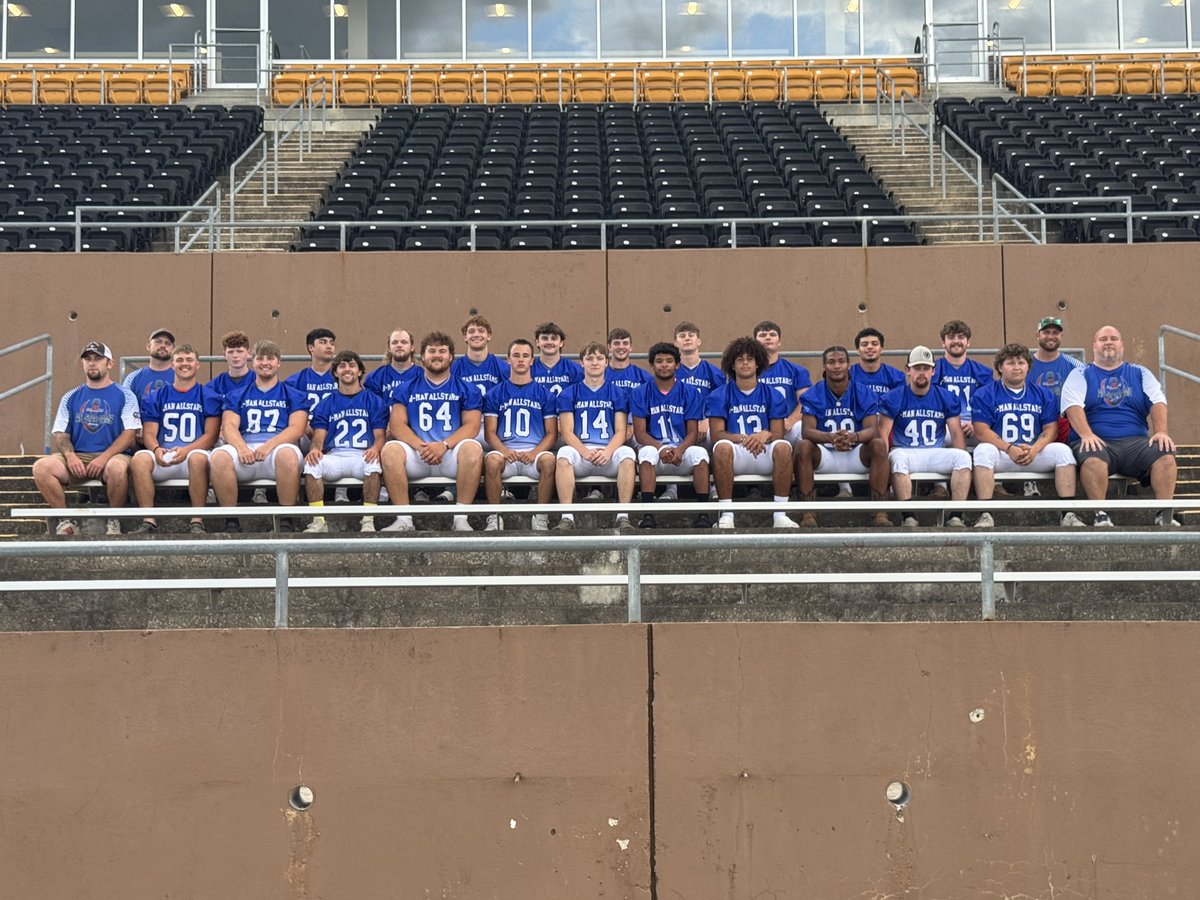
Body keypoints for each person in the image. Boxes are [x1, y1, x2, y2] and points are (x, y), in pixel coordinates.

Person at [1062, 325, 1179, 527]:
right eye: (1103, 339)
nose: (1108, 342)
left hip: (1136, 443)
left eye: (1113, 338)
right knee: (1093, 459)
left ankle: (1164, 515)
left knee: (1165, 455)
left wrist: (1161, 432)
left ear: (1122, 345)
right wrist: (1086, 434)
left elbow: (1158, 401)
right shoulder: (1080, 373)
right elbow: (1073, 406)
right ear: (1094, 346)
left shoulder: (1140, 373)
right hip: (1098, 442)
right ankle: (1100, 514)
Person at [969, 343, 1082, 528]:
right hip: (1002, 453)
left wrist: (1035, 449)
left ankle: (1068, 513)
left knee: (1063, 451)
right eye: (1010, 363)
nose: (1016, 367)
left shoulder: (1043, 394)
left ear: (1028, 367)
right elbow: (981, 430)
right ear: (1000, 367)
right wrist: (1009, 448)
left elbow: (1051, 429)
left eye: (1021, 362)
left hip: (1033, 452)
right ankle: (985, 514)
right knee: (983, 451)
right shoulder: (985, 393)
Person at [381, 331, 484, 533]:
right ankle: (404, 519)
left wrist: (444, 445)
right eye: (432, 351)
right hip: (419, 454)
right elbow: (397, 425)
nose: (437, 355)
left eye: (442, 351)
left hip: (450, 454)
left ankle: (461, 518)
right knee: (390, 450)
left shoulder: (466, 388)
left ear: (451, 356)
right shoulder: (405, 388)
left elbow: (472, 426)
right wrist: (422, 447)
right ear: (422, 356)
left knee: (473, 448)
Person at [33, 341, 140, 537]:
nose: (92, 363)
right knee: (41, 467)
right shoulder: (71, 396)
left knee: (117, 468)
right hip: (79, 457)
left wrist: (103, 458)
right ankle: (65, 521)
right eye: (88, 359)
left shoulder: (126, 395)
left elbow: (129, 434)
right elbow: (61, 433)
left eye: (98, 358)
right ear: (83, 364)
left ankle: (114, 521)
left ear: (110, 363)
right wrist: (71, 456)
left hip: (113, 456)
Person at [210, 340, 308, 533]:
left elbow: (297, 428)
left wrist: (268, 446)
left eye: (270, 358)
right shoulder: (237, 394)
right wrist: (241, 448)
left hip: (276, 450)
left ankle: (286, 521)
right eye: (260, 358)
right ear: (252, 362)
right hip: (246, 449)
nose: (265, 363)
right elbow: (229, 426)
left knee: (288, 454)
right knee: (219, 456)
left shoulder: (293, 394)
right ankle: (231, 522)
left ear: (278, 362)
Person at [707, 336, 798, 530]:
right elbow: (716, 435)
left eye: (750, 359)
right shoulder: (719, 394)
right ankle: (727, 514)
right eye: (740, 359)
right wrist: (744, 438)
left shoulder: (773, 394)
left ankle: (780, 514)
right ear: (732, 365)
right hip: (736, 453)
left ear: (758, 363)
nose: (745, 363)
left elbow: (778, 433)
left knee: (783, 447)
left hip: (763, 452)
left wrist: (765, 435)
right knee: (721, 447)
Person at [130, 344, 222, 535]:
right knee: (140, 459)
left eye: (189, 360)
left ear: (197, 364)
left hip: (193, 455)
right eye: (179, 360)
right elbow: (149, 433)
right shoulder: (157, 396)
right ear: (172, 364)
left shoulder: (208, 395)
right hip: (165, 455)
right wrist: (157, 450)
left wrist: (186, 450)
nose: (184, 364)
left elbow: (211, 435)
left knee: (198, 458)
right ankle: (149, 520)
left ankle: (197, 520)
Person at [795, 346, 891, 528]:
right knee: (803, 446)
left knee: (878, 444)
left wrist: (853, 437)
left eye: (841, 361)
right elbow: (807, 431)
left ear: (848, 365)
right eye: (831, 362)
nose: (837, 366)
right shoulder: (813, 394)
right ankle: (808, 513)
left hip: (854, 453)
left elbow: (872, 429)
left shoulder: (864, 392)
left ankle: (880, 512)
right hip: (826, 455)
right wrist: (831, 437)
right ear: (824, 366)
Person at [878, 346, 972, 527]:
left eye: (926, 368)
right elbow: (883, 434)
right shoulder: (894, 397)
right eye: (917, 368)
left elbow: (956, 432)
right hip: (905, 450)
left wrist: (962, 456)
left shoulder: (946, 396)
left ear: (933, 371)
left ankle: (956, 515)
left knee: (963, 457)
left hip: (936, 451)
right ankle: (908, 516)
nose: (922, 373)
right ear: (908, 370)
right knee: (897, 458)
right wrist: (883, 464)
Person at [553, 341, 637, 532]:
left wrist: (607, 452)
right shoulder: (569, 393)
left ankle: (623, 516)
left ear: (606, 362)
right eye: (589, 358)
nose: (595, 362)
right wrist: (585, 452)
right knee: (564, 454)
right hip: (581, 453)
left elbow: (621, 431)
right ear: (581, 363)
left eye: (599, 358)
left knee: (627, 454)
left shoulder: (617, 393)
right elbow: (566, 432)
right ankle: (566, 517)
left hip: (608, 453)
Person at [303, 351, 389, 534]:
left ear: (360, 371)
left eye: (352, 365)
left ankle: (368, 520)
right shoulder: (326, 403)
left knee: (373, 464)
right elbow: (318, 436)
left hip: (362, 454)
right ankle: (319, 521)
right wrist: (315, 449)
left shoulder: (374, 401)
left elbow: (380, 435)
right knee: (312, 464)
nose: (347, 369)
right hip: (335, 455)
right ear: (335, 372)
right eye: (342, 366)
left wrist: (375, 448)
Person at [630, 342, 711, 529]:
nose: (664, 365)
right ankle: (648, 514)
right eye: (659, 361)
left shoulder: (690, 392)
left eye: (669, 361)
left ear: (677, 365)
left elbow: (693, 432)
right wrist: (661, 449)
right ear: (652, 365)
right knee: (646, 452)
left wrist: (680, 450)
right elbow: (640, 433)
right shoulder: (640, 392)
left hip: (681, 451)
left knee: (700, 454)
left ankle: (703, 514)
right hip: (657, 450)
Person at [482, 338, 558, 532]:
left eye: (525, 356)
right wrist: (505, 451)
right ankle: (494, 517)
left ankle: (541, 517)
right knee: (491, 460)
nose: (521, 360)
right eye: (516, 355)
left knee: (549, 460)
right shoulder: (494, 393)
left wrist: (534, 453)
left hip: (533, 454)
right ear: (508, 360)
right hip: (506, 453)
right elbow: (490, 433)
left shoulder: (545, 394)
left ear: (532, 360)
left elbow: (552, 433)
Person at [284, 327, 347, 503]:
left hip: (335, 430)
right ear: (310, 348)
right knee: (289, 441)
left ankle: (341, 491)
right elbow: (287, 411)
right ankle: (292, 495)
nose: (329, 346)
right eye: (323, 342)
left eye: (332, 343)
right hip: (306, 431)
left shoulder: (344, 377)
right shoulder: (295, 381)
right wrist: (304, 426)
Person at [930, 319, 993, 439]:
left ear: (968, 342)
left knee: (991, 442)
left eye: (961, 337)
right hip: (944, 426)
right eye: (951, 337)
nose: (956, 341)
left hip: (975, 425)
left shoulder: (982, 372)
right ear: (943, 342)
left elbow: (990, 404)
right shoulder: (933, 370)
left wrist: (976, 423)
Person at [753, 319, 812, 443]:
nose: (768, 337)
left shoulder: (797, 371)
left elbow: (805, 402)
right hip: (755, 426)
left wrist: (790, 421)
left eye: (772, 334)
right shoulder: (746, 371)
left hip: (786, 427)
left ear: (779, 341)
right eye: (763, 335)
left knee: (803, 428)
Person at [451, 315, 511, 400]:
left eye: (481, 331)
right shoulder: (453, 369)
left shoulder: (503, 368)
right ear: (465, 337)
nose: (476, 335)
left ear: (489, 336)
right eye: (471, 331)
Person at [122, 327, 176, 414]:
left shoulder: (181, 377)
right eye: (158, 341)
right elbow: (126, 412)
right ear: (148, 346)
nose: (163, 345)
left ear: (173, 349)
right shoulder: (133, 378)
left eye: (168, 343)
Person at [531, 321, 584, 398]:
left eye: (554, 338)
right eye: (545, 338)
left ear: (561, 343)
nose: (549, 342)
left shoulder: (575, 369)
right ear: (537, 342)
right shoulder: (529, 368)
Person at [364, 328, 421, 399]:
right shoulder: (375, 378)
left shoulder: (422, 376)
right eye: (395, 342)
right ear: (389, 348)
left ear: (412, 347)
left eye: (404, 342)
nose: (399, 345)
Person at [849, 327, 906, 397]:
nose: (869, 347)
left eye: (875, 344)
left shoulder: (896, 376)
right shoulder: (849, 375)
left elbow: (900, 401)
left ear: (881, 348)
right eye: (864, 344)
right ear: (858, 350)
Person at [206, 331, 253, 402]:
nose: (235, 356)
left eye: (239, 351)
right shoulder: (214, 386)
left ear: (248, 353)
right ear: (224, 355)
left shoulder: (258, 381)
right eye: (230, 352)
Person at [604, 327, 652, 396]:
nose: (621, 347)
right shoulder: (601, 375)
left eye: (625, 343)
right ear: (609, 347)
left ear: (631, 347)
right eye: (616, 343)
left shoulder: (643, 377)